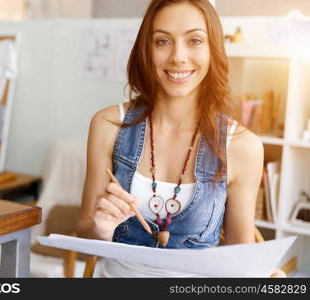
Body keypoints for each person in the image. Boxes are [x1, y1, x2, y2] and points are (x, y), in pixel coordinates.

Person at [76, 0, 285, 278]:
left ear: (213, 50)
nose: (178, 56)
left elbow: (239, 262)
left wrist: (263, 276)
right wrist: (101, 228)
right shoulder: (107, 125)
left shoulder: (243, 147)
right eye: (162, 41)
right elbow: (84, 249)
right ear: (146, 50)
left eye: (195, 40)